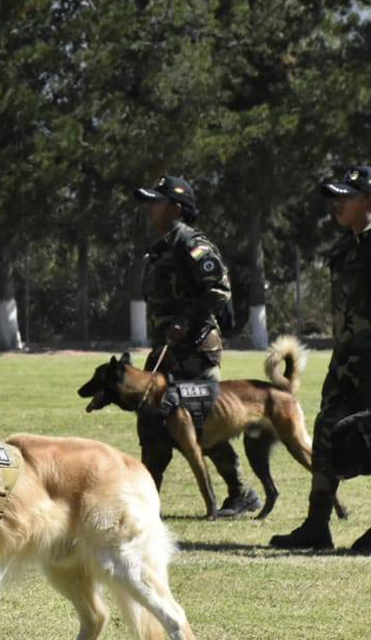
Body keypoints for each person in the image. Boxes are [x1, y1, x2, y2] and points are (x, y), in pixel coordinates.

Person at [270, 165, 371, 549]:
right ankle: (316, 526)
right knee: (327, 438)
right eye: (336, 196)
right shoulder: (346, 248)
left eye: (347, 196)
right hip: (345, 367)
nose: (337, 203)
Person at [133, 176, 261, 517]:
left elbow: (219, 290)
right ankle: (150, 497)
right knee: (152, 417)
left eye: (155, 201)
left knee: (202, 422)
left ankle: (240, 493)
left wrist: (186, 321)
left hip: (195, 348)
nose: (149, 207)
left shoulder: (192, 244)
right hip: (166, 348)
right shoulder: (162, 246)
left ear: (176, 208)